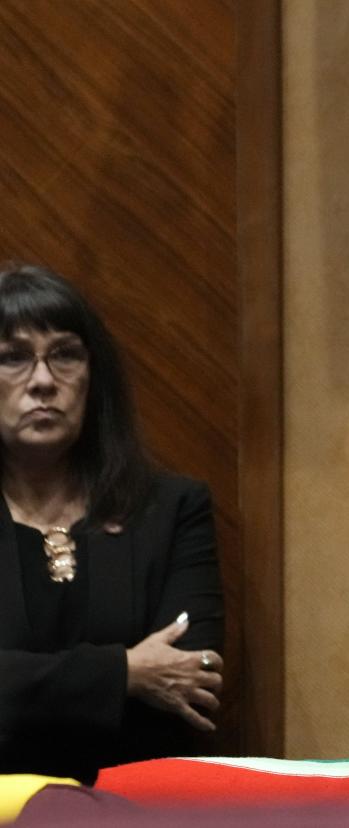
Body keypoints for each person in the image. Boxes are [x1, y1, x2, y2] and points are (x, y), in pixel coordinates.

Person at [0, 264, 224, 784]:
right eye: (12, 357)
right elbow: (152, 679)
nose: (41, 381)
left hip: (133, 805)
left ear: (92, 376)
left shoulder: (171, 508)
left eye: (65, 354)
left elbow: (198, 676)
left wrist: (26, 686)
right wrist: (125, 673)